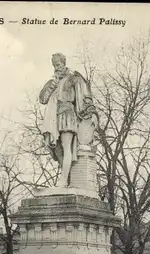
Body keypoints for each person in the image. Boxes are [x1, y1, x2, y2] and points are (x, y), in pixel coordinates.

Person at [39, 52, 98, 187]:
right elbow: (42, 99)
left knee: (66, 147)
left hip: (68, 115)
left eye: (58, 64)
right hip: (54, 118)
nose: (56, 67)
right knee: (57, 149)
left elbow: (85, 97)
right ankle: (67, 178)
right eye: (54, 65)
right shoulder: (53, 81)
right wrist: (52, 84)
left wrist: (91, 113)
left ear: (64, 63)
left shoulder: (73, 78)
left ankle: (63, 180)